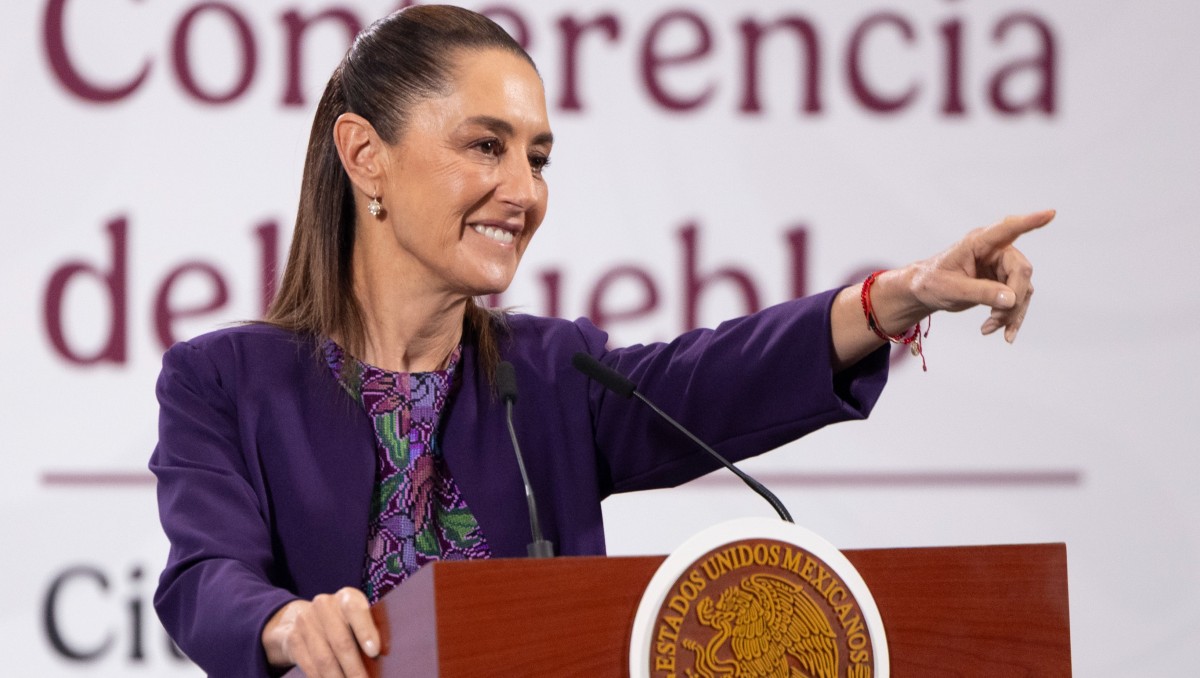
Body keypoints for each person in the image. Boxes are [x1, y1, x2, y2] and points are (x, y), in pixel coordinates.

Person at [149, 5, 1050, 677]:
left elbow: (716, 380)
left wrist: (896, 296)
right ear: (364, 155)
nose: (523, 189)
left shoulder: (548, 377)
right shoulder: (224, 381)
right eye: (485, 145)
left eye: (537, 158)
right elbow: (205, 576)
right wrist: (284, 624)